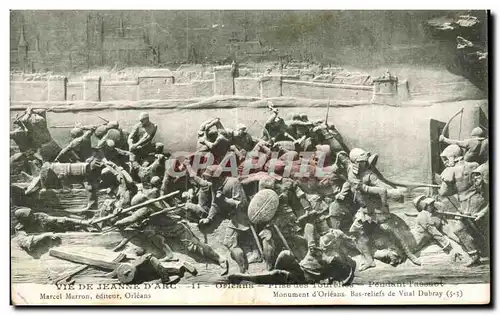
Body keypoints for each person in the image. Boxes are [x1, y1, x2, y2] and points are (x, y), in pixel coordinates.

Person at [346, 148, 419, 271]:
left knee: (391, 230)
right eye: (361, 161)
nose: (364, 163)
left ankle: (410, 255)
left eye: (364, 161)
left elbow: (382, 188)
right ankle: (369, 260)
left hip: (376, 210)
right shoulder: (351, 172)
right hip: (364, 210)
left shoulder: (370, 175)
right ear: (356, 163)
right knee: (355, 232)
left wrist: (368, 189)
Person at [227, 223, 356, 285]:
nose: (328, 235)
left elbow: (348, 271)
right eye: (328, 234)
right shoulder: (317, 247)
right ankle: (272, 273)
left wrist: (332, 279)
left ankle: (243, 276)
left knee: (277, 275)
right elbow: (308, 226)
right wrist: (311, 245)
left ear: (335, 243)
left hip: (304, 279)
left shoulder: (335, 258)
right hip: (299, 267)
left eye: (331, 237)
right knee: (285, 254)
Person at [196, 165, 251, 273]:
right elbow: (215, 204)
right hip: (229, 215)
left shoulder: (233, 182)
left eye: (211, 179)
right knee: (228, 242)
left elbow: (241, 204)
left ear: (218, 177)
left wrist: (224, 199)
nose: (209, 181)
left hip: (240, 216)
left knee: (229, 242)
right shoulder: (215, 185)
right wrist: (209, 218)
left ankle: (243, 270)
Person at [438, 144, 482, 266]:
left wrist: (444, 183)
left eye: (446, 158)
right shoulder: (474, 165)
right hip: (479, 199)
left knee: (459, 229)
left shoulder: (450, 171)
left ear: (453, 157)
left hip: (467, 203)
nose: (445, 162)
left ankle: (474, 255)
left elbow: (444, 192)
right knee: (475, 226)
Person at [14, 207, 88, 234]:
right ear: (25, 220)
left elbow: (61, 219)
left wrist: (82, 222)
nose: (34, 215)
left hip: (58, 231)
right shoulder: (20, 229)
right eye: (30, 216)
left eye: (32, 213)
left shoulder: (40, 216)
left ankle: (81, 225)